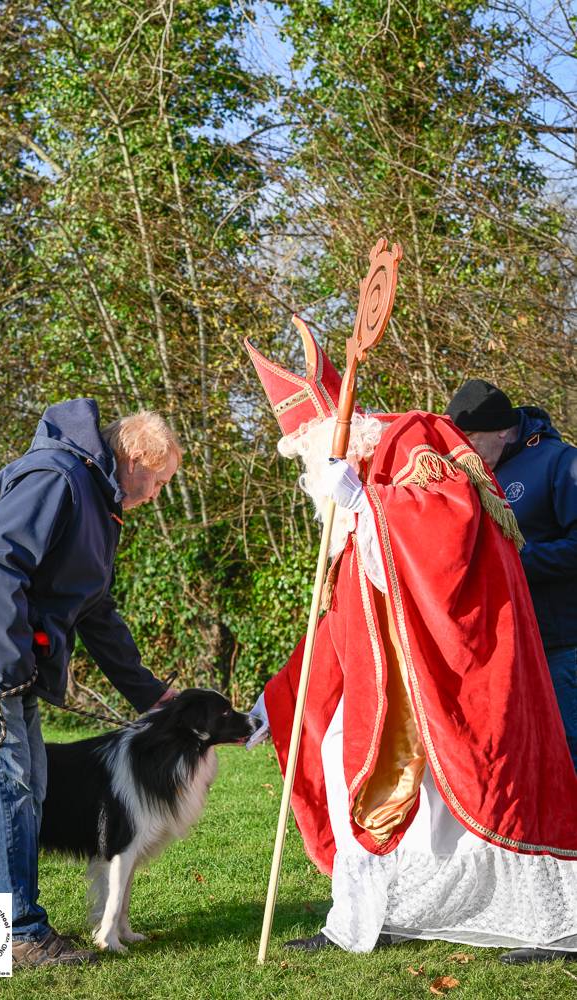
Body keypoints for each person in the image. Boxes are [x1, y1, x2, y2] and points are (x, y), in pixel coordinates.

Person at [245, 326, 577, 965]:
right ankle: (370, 913)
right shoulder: (345, 490)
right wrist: (281, 693)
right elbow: (338, 619)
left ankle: (548, 921)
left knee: (486, 776)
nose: (311, 473)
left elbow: (451, 521)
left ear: (335, 435)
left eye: (309, 455)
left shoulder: (414, 438)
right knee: (346, 755)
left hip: (455, 657)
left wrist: (367, 503)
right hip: (390, 672)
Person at [0, 398, 180, 968]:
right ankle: (20, 934)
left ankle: (7, 928)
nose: (157, 495)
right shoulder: (58, 479)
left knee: (29, 785)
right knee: (8, 786)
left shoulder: (98, 503)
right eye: (158, 481)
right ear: (133, 457)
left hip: (2, 652)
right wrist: (10, 661)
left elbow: (95, 609)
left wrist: (149, 694)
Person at [446, 379, 577, 768]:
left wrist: (516, 562)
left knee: (570, 750)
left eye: (470, 437)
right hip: (504, 648)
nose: (462, 450)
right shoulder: (475, 474)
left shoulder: (561, 463)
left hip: (563, 644)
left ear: (503, 428)